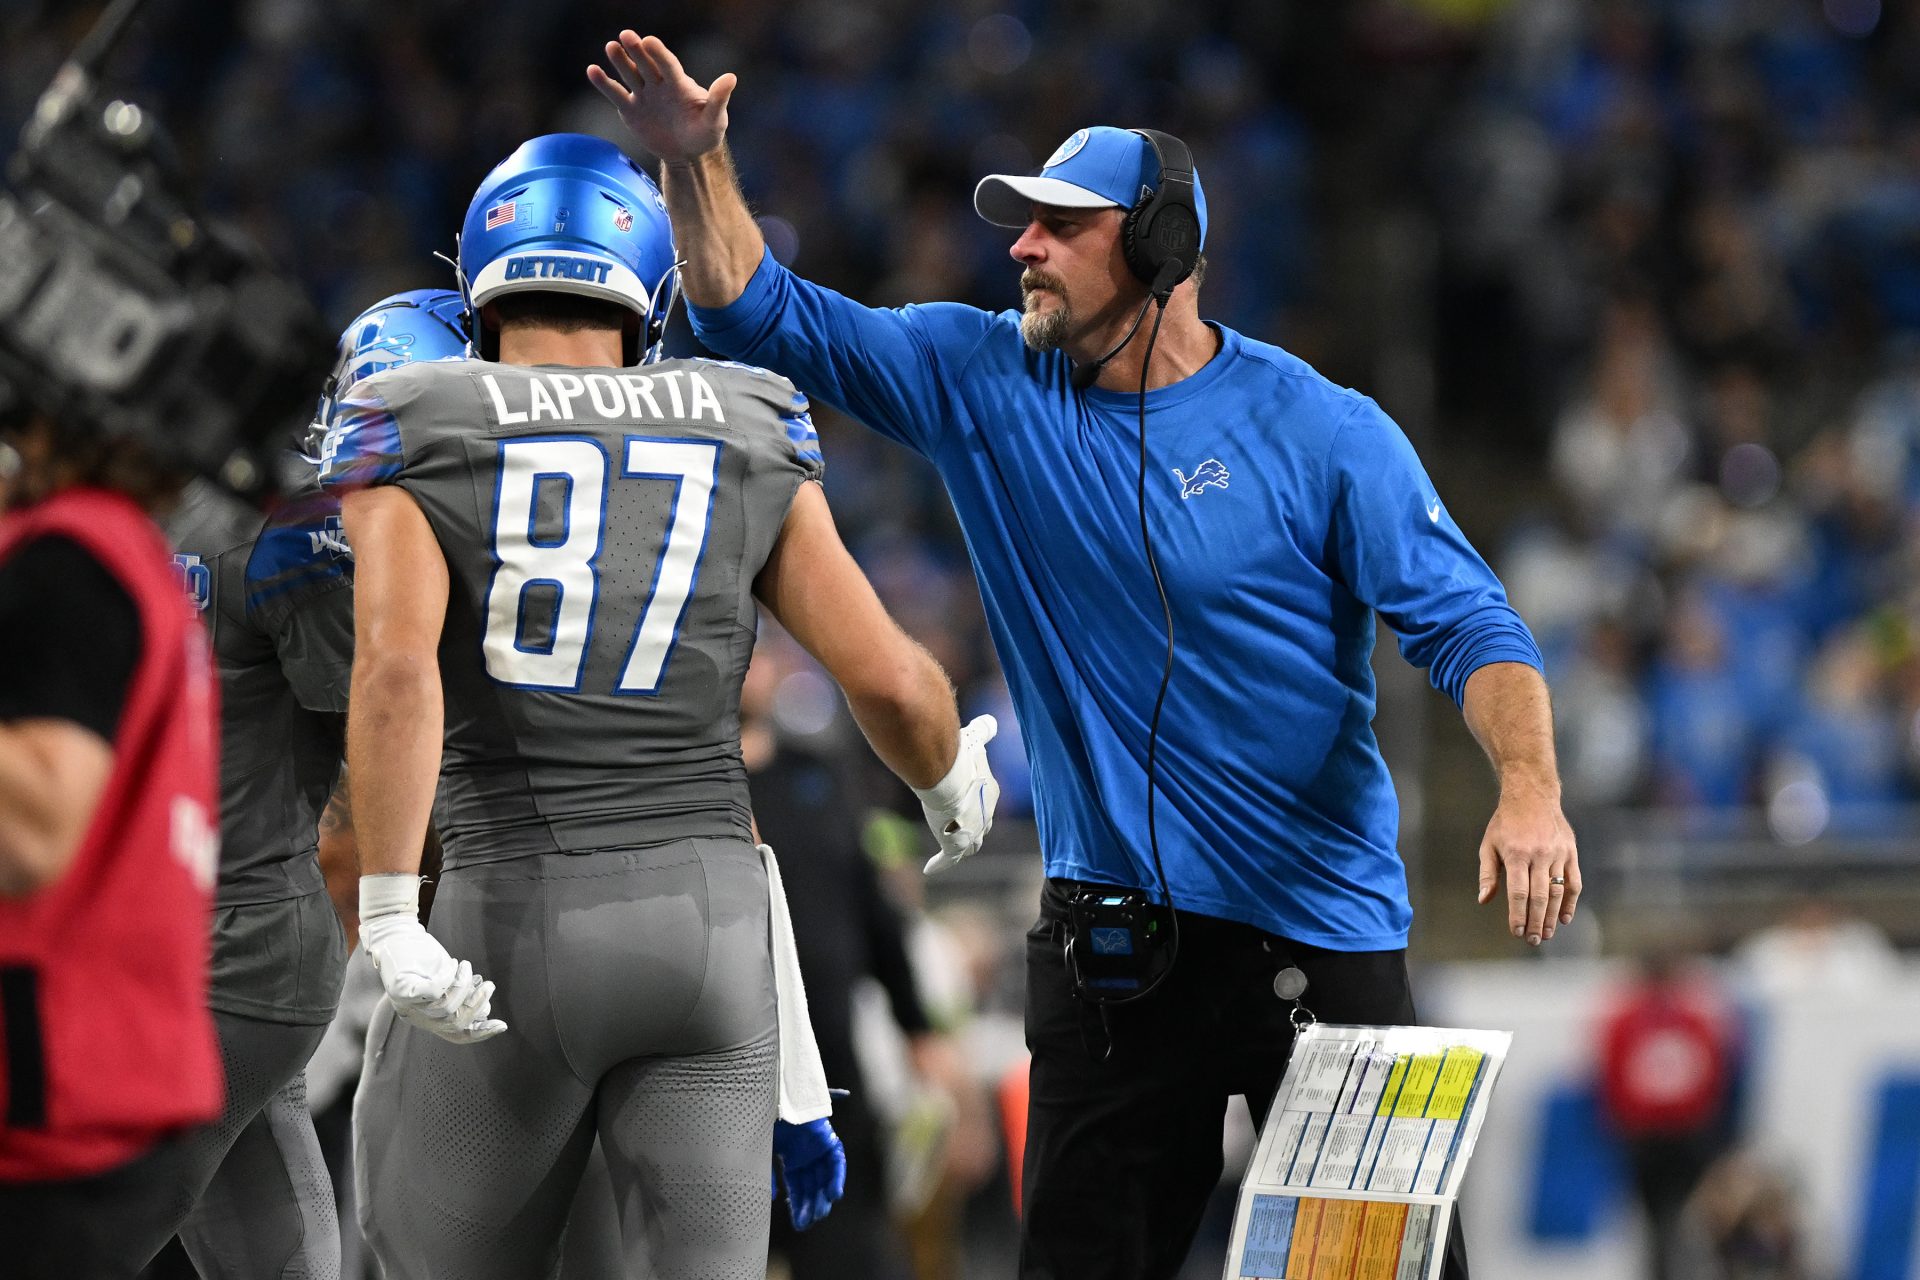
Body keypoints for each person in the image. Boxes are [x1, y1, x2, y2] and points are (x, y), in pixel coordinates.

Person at [588, 32, 1581, 1280]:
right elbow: (753, 309)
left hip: (1320, 948)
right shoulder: (981, 377)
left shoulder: (1325, 431)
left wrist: (1531, 787)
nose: (1022, 248)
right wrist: (695, 164)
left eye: (1061, 225)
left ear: (1162, 247)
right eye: (1021, 224)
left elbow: (1472, 625)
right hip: (1110, 959)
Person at [324, 132, 998, 1280]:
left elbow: (396, 669)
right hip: (711, 939)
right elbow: (888, 675)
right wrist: (948, 777)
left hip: (514, 915)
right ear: (647, 285)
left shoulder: (412, 408)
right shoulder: (746, 415)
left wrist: (390, 909)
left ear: (479, 280)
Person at [136, 290, 471, 1280]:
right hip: (219, 946)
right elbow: (385, 734)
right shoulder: (309, 536)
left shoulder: (213, 506)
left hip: (194, 943)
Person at [0, 399, 223, 1278]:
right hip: (101, 1064)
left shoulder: (72, 556)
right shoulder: (109, 544)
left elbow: (32, 829)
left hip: (50, 1100)